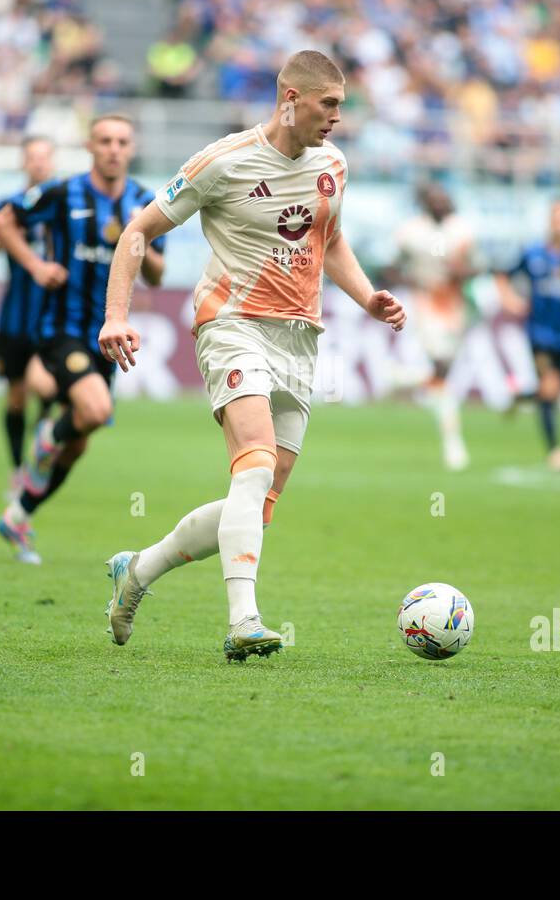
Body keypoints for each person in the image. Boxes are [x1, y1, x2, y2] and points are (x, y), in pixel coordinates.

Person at [97, 50, 407, 661]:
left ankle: (136, 572)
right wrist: (115, 315)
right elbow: (137, 232)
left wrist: (368, 296)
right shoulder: (223, 162)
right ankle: (244, 619)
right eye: (329, 105)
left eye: (341, 106)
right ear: (290, 99)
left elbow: (332, 240)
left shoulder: (333, 165)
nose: (338, 118)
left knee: (257, 502)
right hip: (231, 324)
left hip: (300, 338)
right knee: (255, 461)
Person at [0, 115, 166, 564]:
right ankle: (46, 433)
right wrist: (34, 266)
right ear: (90, 146)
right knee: (96, 410)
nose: (113, 149)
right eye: (104, 140)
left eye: (122, 141)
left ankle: (19, 514)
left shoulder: (144, 201)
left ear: (132, 147)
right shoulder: (62, 192)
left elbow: (158, 275)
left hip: (109, 337)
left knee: (81, 440)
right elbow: (3, 223)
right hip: (61, 329)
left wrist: (137, 236)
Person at [0, 135, 57, 498]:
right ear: (23, 163)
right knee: (17, 396)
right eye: (32, 158)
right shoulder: (7, 206)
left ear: (52, 163)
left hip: (52, 315)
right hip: (15, 316)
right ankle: (18, 470)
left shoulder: (63, 203)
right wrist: (8, 237)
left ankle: (37, 460)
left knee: (47, 387)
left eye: (44, 157)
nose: (38, 163)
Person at [496, 199, 560, 472]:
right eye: (556, 218)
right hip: (539, 332)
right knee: (550, 386)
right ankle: (554, 450)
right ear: (549, 221)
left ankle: (521, 397)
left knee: (552, 391)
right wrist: (511, 300)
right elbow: (503, 276)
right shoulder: (533, 253)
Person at [389, 182, 477, 471]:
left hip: (455, 306)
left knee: (443, 375)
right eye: (435, 200)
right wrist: (406, 279)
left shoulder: (462, 230)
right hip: (425, 304)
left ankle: (402, 380)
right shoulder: (411, 232)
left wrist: (463, 271)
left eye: (445, 200)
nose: (441, 204)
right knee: (440, 367)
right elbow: (391, 265)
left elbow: (478, 265)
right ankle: (453, 444)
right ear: (426, 204)